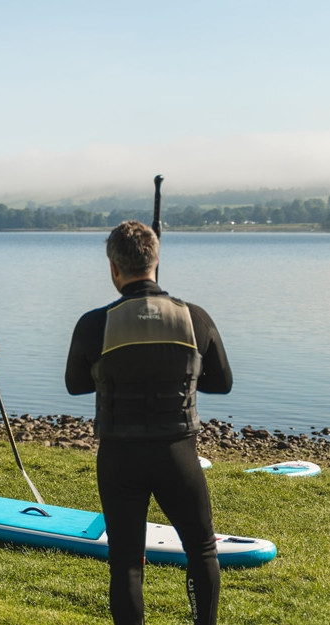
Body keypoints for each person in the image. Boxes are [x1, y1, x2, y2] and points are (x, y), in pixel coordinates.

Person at [65, 220, 233, 625]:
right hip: (177, 452)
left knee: (125, 561)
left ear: (113, 268)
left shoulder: (95, 323)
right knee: (201, 549)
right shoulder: (193, 317)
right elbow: (222, 383)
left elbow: (74, 384)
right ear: (156, 261)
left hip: (119, 456)